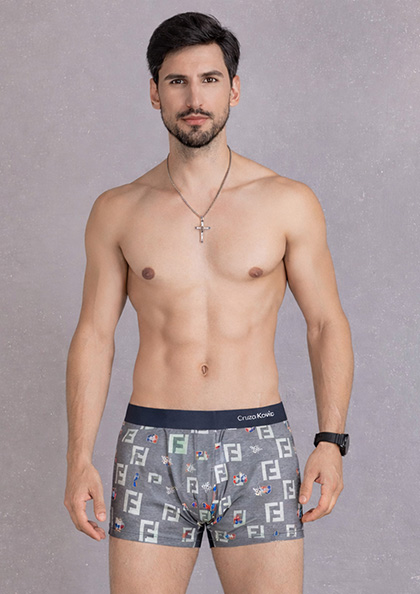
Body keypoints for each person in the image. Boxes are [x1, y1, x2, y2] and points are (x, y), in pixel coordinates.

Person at [64, 11, 353, 594]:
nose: (195, 98)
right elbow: (94, 334)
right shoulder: (117, 210)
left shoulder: (287, 201)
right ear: (155, 92)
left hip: (258, 446)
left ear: (234, 89)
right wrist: (78, 457)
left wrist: (331, 440)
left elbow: (325, 323)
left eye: (210, 79)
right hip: (150, 449)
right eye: (177, 81)